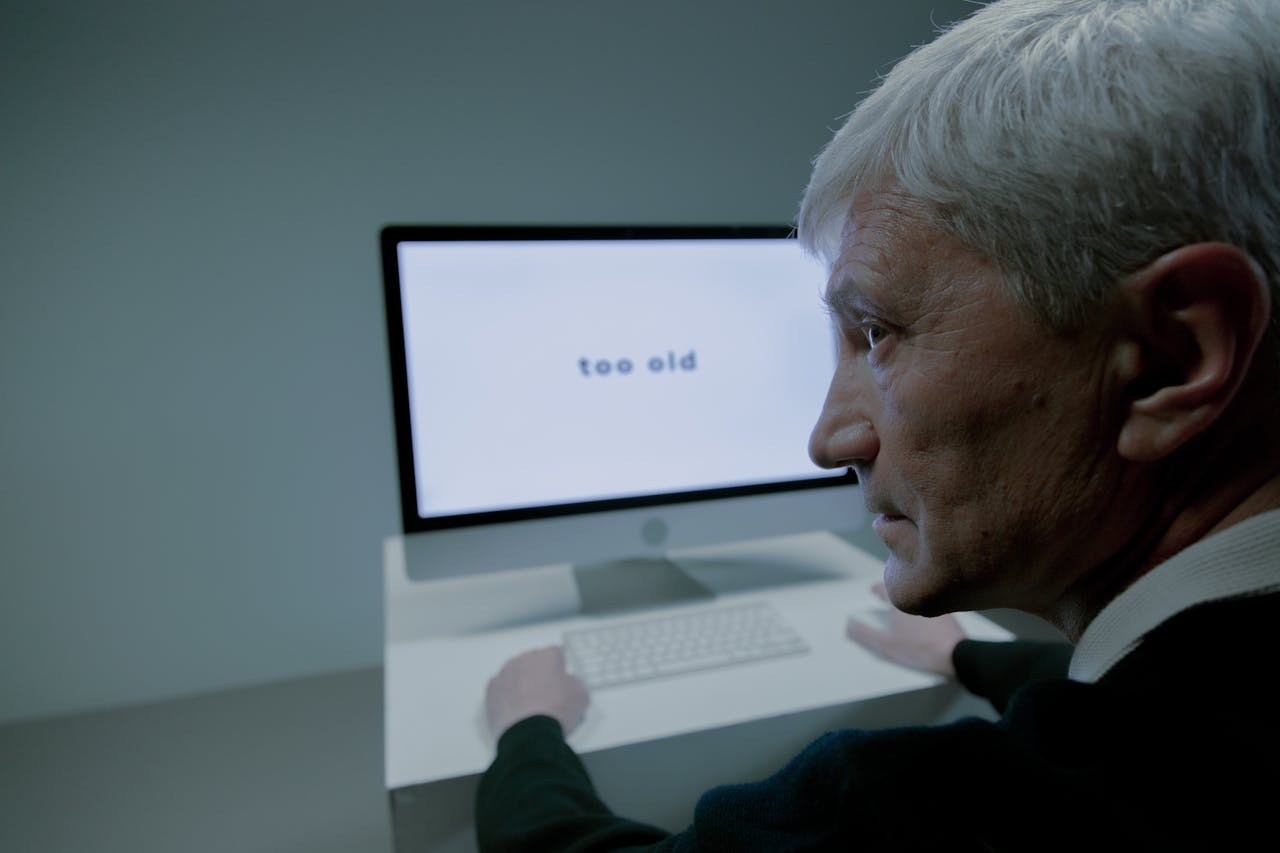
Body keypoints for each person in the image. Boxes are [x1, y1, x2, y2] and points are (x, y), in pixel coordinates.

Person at [473, 0, 1280, 849]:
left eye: (875, 333)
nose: (828, 441)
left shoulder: (919, 820)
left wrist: (527, 734)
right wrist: (965, 655)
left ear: (1168, 360)